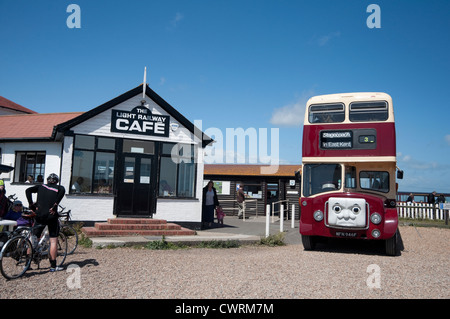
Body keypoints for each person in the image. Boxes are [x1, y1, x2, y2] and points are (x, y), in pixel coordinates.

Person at [26, 173, 66, 272]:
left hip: (39, 215)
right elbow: (59, 198)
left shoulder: (41, 187)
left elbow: (28, 190)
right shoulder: (60, 188)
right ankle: (53, 266)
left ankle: (27, 264)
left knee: (34, 238)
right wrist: (54, 206)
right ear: (57, 181)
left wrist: (31, 204)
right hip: (51, 216)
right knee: (53, 240)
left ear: (47, 181)